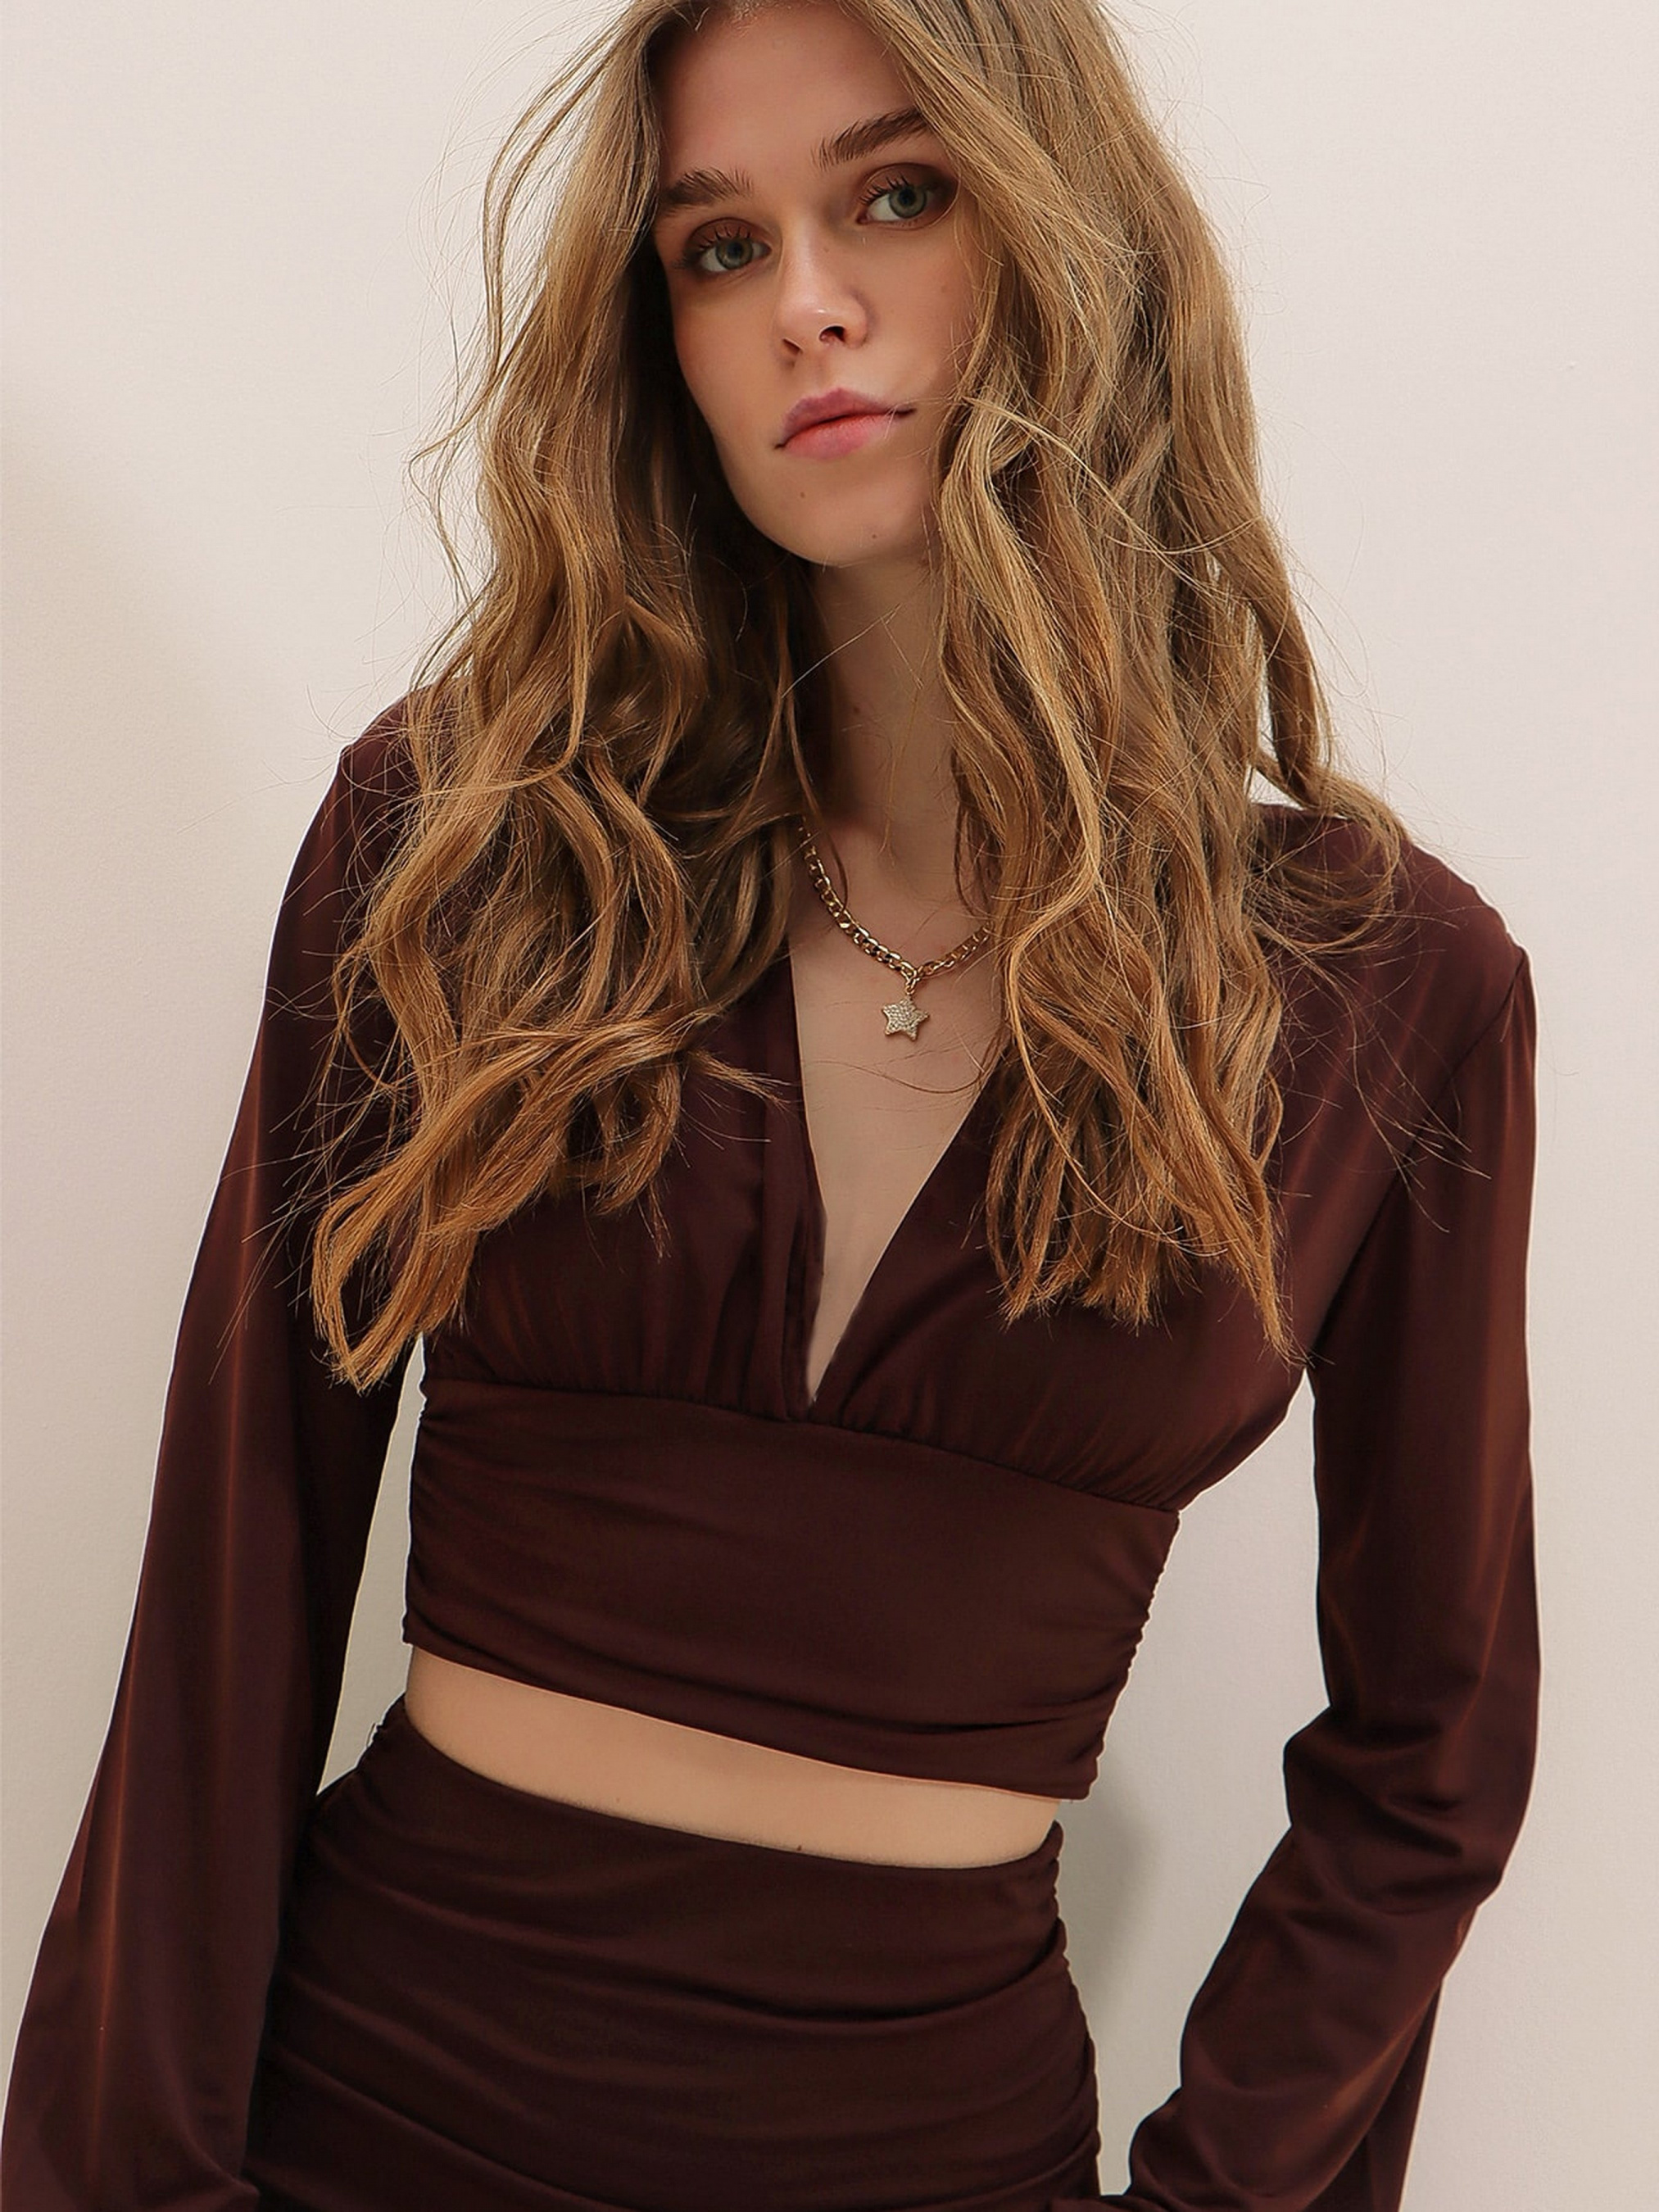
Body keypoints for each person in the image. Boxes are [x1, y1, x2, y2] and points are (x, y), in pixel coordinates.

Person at [1, 0, 1540, 2205]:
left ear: (1070, 239)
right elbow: (236, 1558)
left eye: (895, 196)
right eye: (718, 247)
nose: (805, 301)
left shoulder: (1383, 991)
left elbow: (1429, 1754)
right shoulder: (469, 845)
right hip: (361, 2122)